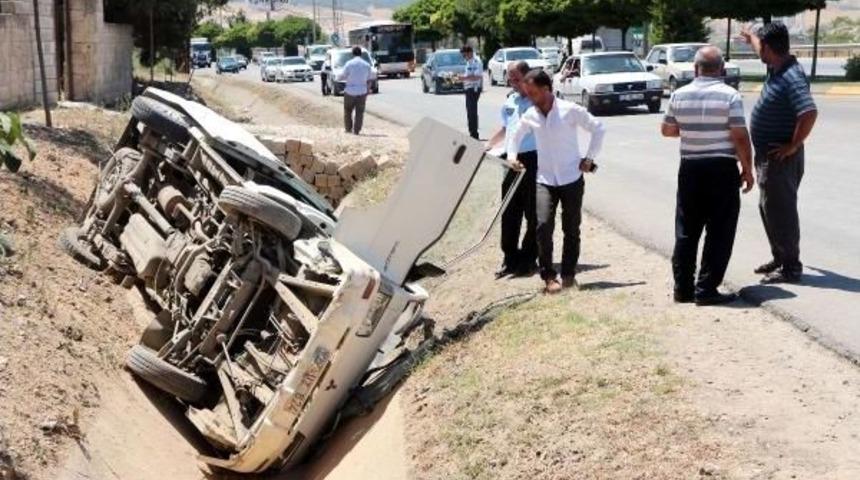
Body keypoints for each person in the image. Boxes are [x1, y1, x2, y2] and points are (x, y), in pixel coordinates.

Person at [661, 46, 755, 306]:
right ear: (722, 70)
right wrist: (747, 168)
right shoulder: (730, 96)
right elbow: (739, 134)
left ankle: (683, 289)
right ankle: (706, 289)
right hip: (722, 169)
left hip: (690, 168)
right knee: (720, 230)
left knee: (686, 230)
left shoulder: (679, 94)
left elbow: (667, 130)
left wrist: (692, 129)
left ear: (695, 69)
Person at [507, 70, 605, 294]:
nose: (529, 96)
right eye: (527, 92)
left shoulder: (570, 110)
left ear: (546, 89)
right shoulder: (531, 114)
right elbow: (515, 135)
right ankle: (549, 276)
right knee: (542, 226)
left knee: (571, 228)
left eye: (532, 92)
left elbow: (598, 128)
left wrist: (589, 158)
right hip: (545, 179)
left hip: (571, 178)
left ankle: (569, 274)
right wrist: (512, 157)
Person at [741, 22, 818, 284]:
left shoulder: (791, 76)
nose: (757, 51)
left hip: (780, 158)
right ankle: (780, 257)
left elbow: (808, 112)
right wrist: (751, 36)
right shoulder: (776, 65)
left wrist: (793, 145)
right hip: (770, 156)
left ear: (770, 49)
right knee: (769, 208)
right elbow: (760, 47)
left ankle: (790, 267)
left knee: (781, 211)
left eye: (760, 46)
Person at [485, 61, 538, 278]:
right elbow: (505, 128)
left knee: (533, 212)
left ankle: (528, 259)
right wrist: (488, 145)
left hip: (533, 159)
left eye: (516, 78)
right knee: (509, 211)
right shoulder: (510, 100)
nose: (512, 82)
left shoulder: (538, 101)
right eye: (510, 78)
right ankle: (510, 258)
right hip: (510, 159)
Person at [337, 46, 373, 135]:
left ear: (352, 53)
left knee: (348, 110)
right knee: (360, 112)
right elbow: (369, 80)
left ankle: (348, 128)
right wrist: (367, 91)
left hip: (350, 91)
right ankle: (357, 130)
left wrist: (339, 78)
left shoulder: (349, 64)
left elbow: (342, 76)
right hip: (362, 91)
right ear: (361, 53)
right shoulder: (367, 65)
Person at [461, 45, 483, 139]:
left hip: (474, 89)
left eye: (464, 55)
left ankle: (474, 134)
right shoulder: (468, 62)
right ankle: (472, 132)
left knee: (472, 111)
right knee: (469, 111)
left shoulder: (477, 61)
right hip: (468, 88)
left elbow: (478, 76)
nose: (464, 57)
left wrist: (464, 78)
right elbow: (468, 75)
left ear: (469, 52)